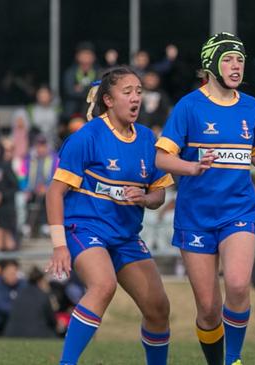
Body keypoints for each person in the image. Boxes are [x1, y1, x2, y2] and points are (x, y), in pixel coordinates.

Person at [155, 32, 255, 365]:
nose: (236, 66)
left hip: (238, 209)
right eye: (228, 59)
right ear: (210, 64)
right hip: (195, 216)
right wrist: (191, 167)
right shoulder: (189, 106)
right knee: (208, 310)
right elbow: (162, 159)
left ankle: (233, 359)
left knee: (238, 285)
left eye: (239, 59)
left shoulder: (250, 106)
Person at [46, 66, 174, 365]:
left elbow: (159, 194)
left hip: (125, 236)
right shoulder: (86, 137)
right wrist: (59, 245)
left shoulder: (146, 138)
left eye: (139, 92)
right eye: (127, 92)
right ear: (108, 100)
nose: (136, 98)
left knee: (158, 308)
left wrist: (145, 197)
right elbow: (54, 193)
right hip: (85, 227)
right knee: (103, 285)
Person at [3, 266, 58, 338]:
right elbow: (52, 320)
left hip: (12, 334)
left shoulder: (20, 293)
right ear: (40, 281)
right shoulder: (43, 296)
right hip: (37, 334)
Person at [0, 139, 19, 252]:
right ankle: (9, 266)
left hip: (6, 210)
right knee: (4, 240)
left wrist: (2, 195)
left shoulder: (5, 167)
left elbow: (15, 186)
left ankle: (4, 266)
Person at [0, 260, 24, 335]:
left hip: (12, 323)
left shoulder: (22, 284)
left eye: (15, 273)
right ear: (2, 273)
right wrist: (21, 310)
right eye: (10, 273)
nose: (13, 276)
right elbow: (0, 306)